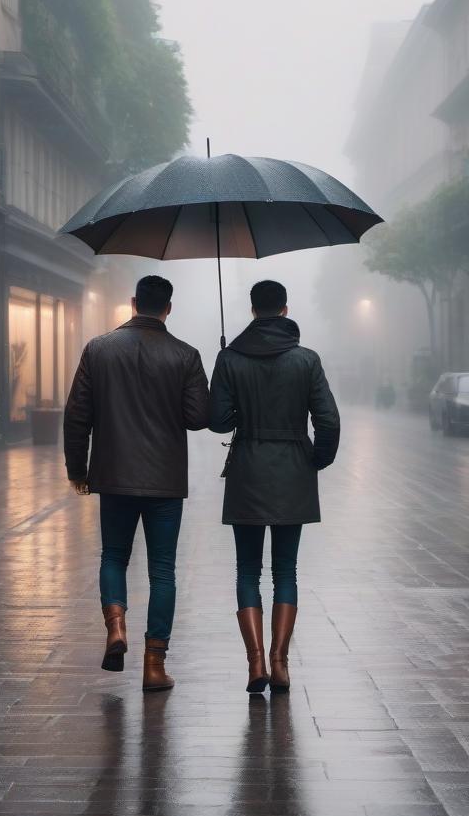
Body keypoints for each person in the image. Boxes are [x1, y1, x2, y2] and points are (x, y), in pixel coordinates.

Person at [64, 275, 209, 692]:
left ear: (133, 303)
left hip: (114, 476)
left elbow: (77, 416)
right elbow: (199, 418)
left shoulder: (98, 349)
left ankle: (116, 626)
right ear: (169, 308)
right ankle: (154, 665)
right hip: (164, 480)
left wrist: (79, 470)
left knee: (114, 556)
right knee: (163, 570)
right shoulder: (186, 355)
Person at [209, 280, 340, 694]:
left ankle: (256, 664)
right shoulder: (307, 360)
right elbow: (329, 421)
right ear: (285, 310)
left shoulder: (231, 357)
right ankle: (281, 663)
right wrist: (315, 459)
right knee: (286, 569)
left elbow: (218, 421)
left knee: (247, 569)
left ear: (252, 311)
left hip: (248, 468)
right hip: (292, 471)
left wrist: (228, 373)